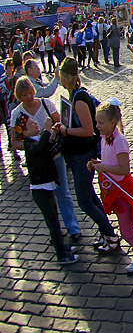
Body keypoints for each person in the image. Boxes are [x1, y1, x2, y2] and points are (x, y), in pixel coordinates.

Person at [56, 57, 120, 253]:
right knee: (89, 197)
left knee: (84, 201)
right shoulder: (74, 95)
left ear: (65, 77)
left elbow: (87, 130)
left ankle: (110, 233)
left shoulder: (79, 99)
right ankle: (106, 232)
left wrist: (65, 131)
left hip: (82, 155)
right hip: (77, 155)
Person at [89, 100, 133, 278]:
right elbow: (110, 163)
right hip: (114, 190)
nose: (97, 126)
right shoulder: (105, 139)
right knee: (130, 229)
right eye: (97, 122)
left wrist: (103, 167)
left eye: (101, 123)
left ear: (113, 122)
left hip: (123, 190)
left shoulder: (119, 141)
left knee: (126, 232)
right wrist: (99, 164)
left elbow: (124, 170)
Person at [10, 77, 82, 242]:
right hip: (38, 162)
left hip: (55, 156)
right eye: (24, 95)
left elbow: (61, 123)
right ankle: (55, 231)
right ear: (19, 96)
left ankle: (73, 228)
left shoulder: (46, 104)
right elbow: (14, 141)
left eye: (30, 93)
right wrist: (32, 145)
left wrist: (54, 131)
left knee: (63, 193)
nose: (29, 97)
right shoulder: (17, 114)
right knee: (47, 200)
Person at [15, 113, 79, 265]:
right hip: (40, 190)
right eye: (32, 124)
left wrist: (57, 135)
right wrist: (47, 131)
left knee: (55, 220)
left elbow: (52, 150)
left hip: (47, 187)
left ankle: (63, 247)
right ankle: (62, 255)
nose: (36, 124)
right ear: (25, 133)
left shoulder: (37, 140)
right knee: (54, 225)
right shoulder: (29, 144)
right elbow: (38, 149)